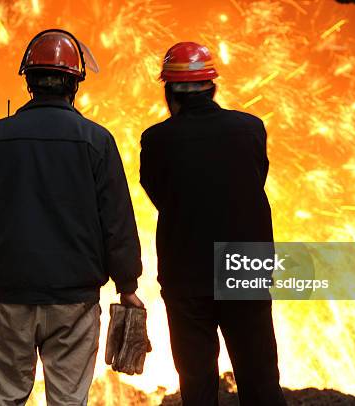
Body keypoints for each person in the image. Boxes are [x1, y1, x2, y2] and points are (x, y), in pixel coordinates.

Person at [0, 29, 144, 406]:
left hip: (9, 300)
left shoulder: (0, 136)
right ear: (74, 83)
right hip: (74, 306)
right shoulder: (97, 141)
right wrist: (127, 285)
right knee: (67, 402)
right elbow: (117, 222)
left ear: (29, 82)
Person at [140, 42, 287, 406]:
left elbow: (160, 194)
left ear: (169, 91)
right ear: (212, 87)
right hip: (244, 267)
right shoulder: (251, 128)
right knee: (261, 381)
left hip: (186, 276)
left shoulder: (157, 139)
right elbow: (254, 180)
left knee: (197, 386)